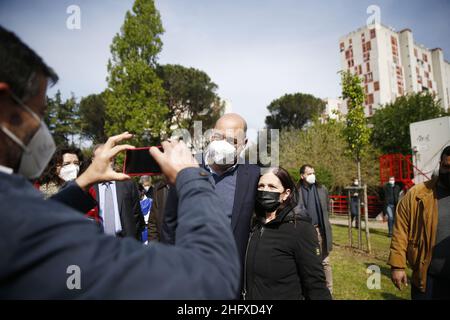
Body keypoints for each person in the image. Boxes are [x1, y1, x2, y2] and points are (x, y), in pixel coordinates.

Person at [0, 25, 239, 299]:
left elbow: (36, 220)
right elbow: (211, 279)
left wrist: (83, 182)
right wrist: (191, 178)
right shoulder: (19, 222)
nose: (42, 127)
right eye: (38, 113)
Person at [163, 114, 260, 269]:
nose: (223, 144)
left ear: (244, 143)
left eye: (231, 140)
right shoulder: (187, 166)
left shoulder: (254, 175)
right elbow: (170, 222)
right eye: (218, 137)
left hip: (230, 272)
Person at [243, 167, 331, 300]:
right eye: (261, 186)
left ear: (286, 194)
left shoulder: (300, 229)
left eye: (272, 187)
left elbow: (315, 285)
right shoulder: (253, 225)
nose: (265, 190)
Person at [389, 146, 450, 300]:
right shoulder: (418, 194)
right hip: (426, 277)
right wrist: (397, 265)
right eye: (446, 166)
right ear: (440, 163)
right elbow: (401, 229)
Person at [90, 144, 145, 240]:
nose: (105, 161)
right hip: (97, 242)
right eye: (100, 158)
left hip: (125, 243)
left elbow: (136, 214)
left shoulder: (127, 183)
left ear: (113, 160)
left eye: (109, 157)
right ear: (93, 161)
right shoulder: (89, 187)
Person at [298, 164, 333, 294]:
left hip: (319, 230)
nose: (312, 175)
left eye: (313, 172)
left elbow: (326, 210)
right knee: (306, 263)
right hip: (304, 232)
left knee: (325, 262)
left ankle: (329, 291)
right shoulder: (297, 191)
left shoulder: (322, 189)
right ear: (302, 176)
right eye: (309, 173)